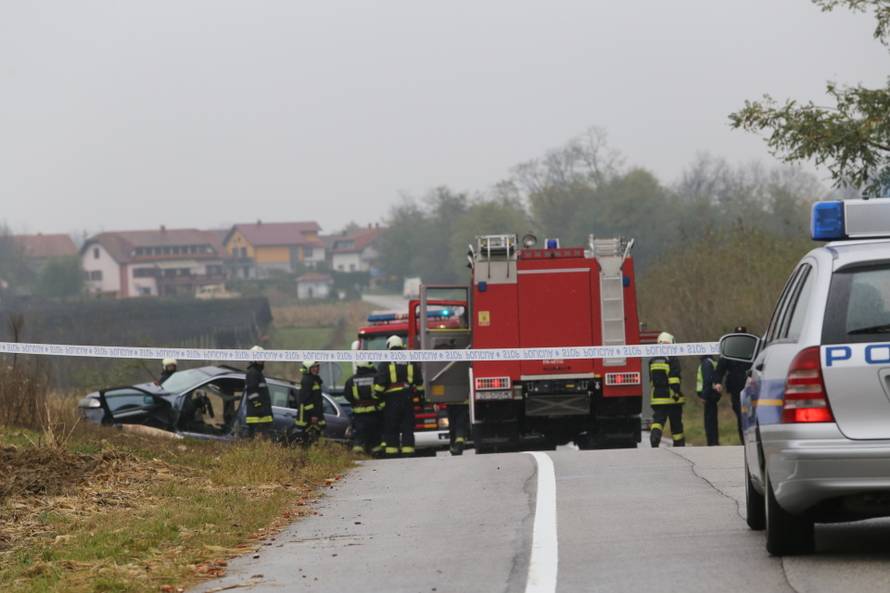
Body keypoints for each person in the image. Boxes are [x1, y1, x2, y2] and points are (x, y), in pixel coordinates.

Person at [373, 335, 424, 457]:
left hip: (391, 399)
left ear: (389, 346)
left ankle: (392, 453)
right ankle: (408, 451)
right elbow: (419, 382)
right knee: (407, 426)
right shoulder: (410, 360)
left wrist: (378, 398)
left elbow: (380, 384)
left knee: (391, 425)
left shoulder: (386, 361)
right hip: (408, 397)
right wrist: (420, 400)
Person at [713, 325, 752, 444]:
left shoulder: (752, 350)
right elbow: (720, 369)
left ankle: (750, 438)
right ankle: (744, 441)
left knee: (749, 414)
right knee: (740, 414)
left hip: (751, 387)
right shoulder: (729, 351)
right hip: (736, 389)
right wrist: (718, 382)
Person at [649, 332, 685, 447]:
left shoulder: (652, 359)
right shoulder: (672, 358)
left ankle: (654, 438)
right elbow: (674, 378)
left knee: (658, 421)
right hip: (671, 398)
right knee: (676, 423)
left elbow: (651, 379)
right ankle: (679, 444)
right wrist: (677, 393)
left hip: (657, 398)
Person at [344, 360, 383, 454]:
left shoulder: (351, 380)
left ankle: (358, 453)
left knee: (359, 435)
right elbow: (381, 392)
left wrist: (356, 403)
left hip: (359, 415)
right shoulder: (376, 377)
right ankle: (376, 453)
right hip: (374, 413)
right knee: (375, 436)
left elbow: (347, 395)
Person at [243, 346, 273, 438]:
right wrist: (260, 408)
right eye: (260, 358)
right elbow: (252, 393)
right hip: (257, 417)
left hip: (262, 415)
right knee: (257, 441)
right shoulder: (253, 373)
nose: (263, 360)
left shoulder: (257, 372)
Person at [296, 360, 326, 446]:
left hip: (315, 413)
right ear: (309, 369)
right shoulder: (307, 380)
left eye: (317, 366)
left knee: (316, 436)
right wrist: (314, 415)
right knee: (307, 437)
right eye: (314, 367)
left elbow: (316, 399)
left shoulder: (315, 379)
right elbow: (306, 400)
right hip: (308, 415)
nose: (317, 369)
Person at [697, 354, 720, 446]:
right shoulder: (711, 362)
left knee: (709, 421)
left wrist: (704, 396)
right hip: (712, 395)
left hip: (709, 396)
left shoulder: (706, 363)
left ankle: (712, 442)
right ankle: (713, 441)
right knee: (712, 420)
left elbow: (707, 381)